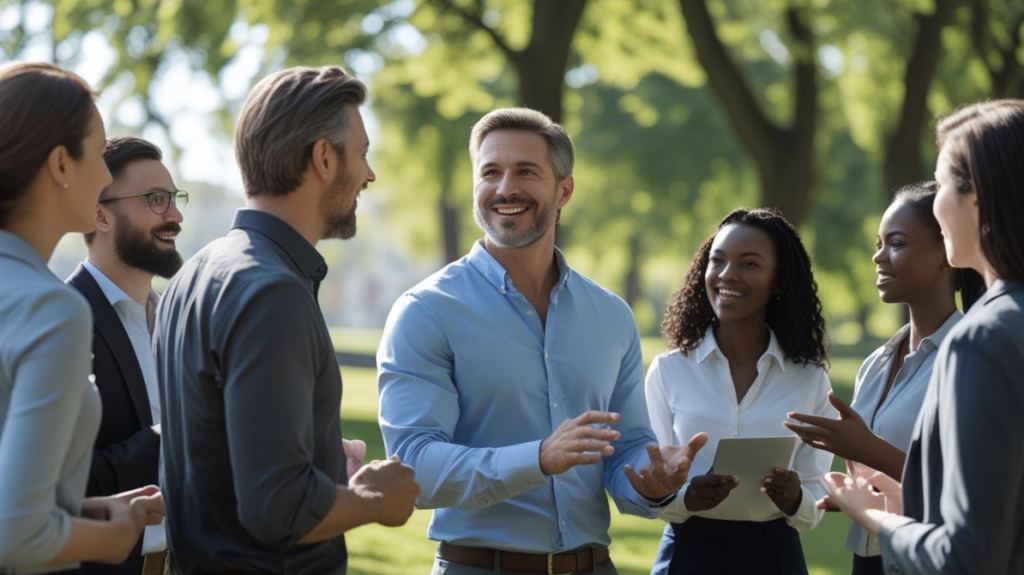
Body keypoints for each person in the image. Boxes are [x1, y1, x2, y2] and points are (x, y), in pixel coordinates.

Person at [378, 107, 707, 575]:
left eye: (525, 172)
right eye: (490, 172)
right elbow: (414, 466)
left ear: (564, 190)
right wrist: (537, 458)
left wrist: (653, 481)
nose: (504, 188)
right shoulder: (426, 311)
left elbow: (627, 448)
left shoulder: (611, 317)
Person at [154, 65, 419, 575]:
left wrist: (321, 463)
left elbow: (225, 464)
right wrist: (374, 499)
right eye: (362, 153)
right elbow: (277, 508)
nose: (369, 174)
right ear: (323, 158)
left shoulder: (194, 275)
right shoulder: (273, 291)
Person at [823, 99, 1024, 574]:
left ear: (978, 198)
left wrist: (874, 516)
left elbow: (965, 556)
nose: (936, 201)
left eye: (945, 182)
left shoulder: (984, 338)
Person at [0, 62, 163, 574]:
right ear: (61, 165)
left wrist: (90, 509)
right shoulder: (52, 309)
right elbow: (17, 537)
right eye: (96, 153)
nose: (105, 174)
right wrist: (111, 535)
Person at [785, 182, 984, 575]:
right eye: (879, 243)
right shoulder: (876, 363)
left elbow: (976, 488)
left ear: (947, 252)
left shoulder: (972, 358)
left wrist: (870, 449)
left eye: (895, 243)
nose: (878, 256)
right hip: (869, 558)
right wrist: (849, 489)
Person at [645, 207, 835, 575]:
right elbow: (648, 489)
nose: (727, 275)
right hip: (687, 553)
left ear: (778, 281)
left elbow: (815, 503)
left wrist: (794, 498)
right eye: (718, 261)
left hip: (775, 555)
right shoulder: (670, 370)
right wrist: (686, 497)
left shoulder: (809, 380)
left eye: (749, 264)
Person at [66, 136, 185, 575]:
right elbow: (58, 483)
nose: (175, 215)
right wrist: (174, 433)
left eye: (174, 199)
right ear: (101, 215)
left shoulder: (180, 320)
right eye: (156, 200)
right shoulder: (62, 323)